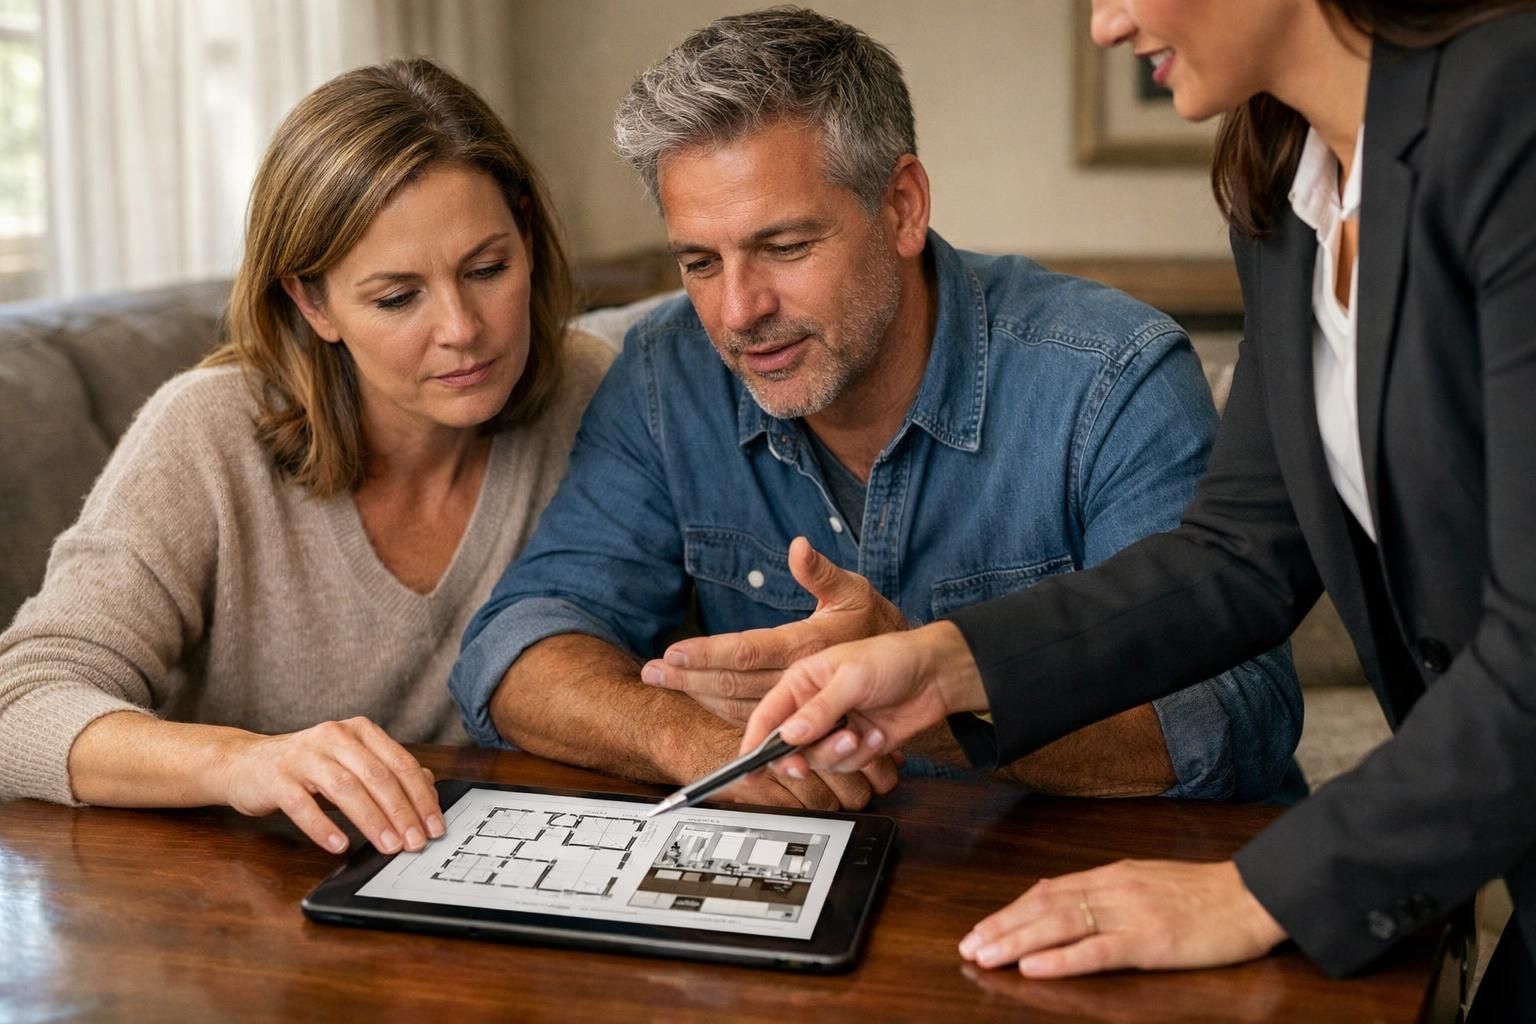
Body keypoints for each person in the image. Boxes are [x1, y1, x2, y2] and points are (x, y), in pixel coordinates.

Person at [740, 0, 1536, 1014]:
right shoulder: (1286, 180)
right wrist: (943, 664)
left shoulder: (1512, 103)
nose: (1106, 24)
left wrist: (1254, 891)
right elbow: (1241, 551)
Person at [449, 7, 1301, 813]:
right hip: (814, 882)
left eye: (786, 247)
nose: (738, 312)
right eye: (700, 262)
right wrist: (697, 746)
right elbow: (518, 646)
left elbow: (1234, 716)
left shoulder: (1111, 376)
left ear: (902, 207)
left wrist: (932, 698)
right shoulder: (665, 373)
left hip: (1091, 884)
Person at [0, 58, 614, 859]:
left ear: (527, 238)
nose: (463, 328)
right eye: (398, 297)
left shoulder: (589, 391)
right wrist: (242, 761)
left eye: (486, 269)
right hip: (236, 895)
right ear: (312, 302)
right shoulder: (207, 431)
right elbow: (21, 706)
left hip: (492, 878)